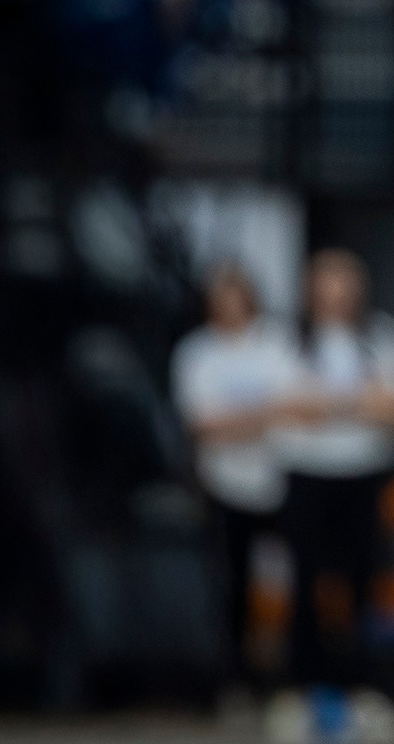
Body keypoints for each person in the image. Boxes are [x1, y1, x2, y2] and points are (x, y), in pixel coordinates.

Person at [272, 248, 394, 685]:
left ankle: (361, 677)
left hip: (365, 471)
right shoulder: (286, 340)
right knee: (305, 577)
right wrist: (358, 401)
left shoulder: (381, 335)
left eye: (345, 280)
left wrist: (328, 403)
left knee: (365, 575)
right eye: (327, 280)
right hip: (307, 472)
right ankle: (302, 678)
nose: (337, 291)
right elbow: (286, 407)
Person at [171, 262, 301, 689]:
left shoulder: (277, 343)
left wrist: (238, 422)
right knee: (230, 582)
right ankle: (229, 676)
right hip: (221, 483)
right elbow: (202, 423)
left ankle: (283, 672)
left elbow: (296, 408)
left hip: (280, 478)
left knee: (288, 577)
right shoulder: (196, 352)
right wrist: (264, 415)